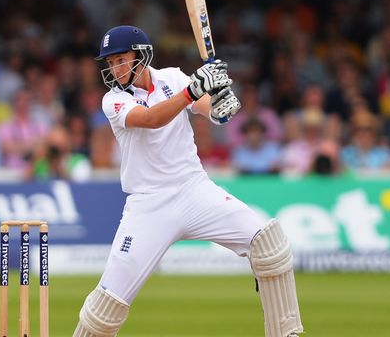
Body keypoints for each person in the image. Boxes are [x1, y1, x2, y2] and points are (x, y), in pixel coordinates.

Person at [72, 26, 303, 337]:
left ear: (140, 55)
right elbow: (152, 120)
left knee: (269, 245)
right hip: (149, 204)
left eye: (120, 59)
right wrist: (193, 90)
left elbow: (210, 110)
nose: (115, 68)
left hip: (194, 189)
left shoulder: (173, 78)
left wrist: (220, 105)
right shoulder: (112, 101)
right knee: (105, 309)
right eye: (110, 63)